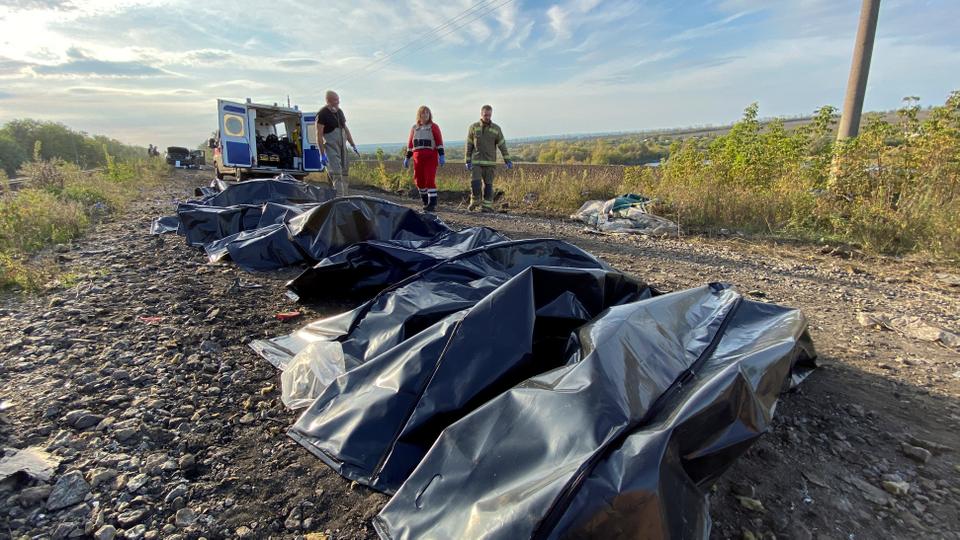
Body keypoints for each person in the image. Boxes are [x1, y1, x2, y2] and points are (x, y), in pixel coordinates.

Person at [465, 104, 511, 212]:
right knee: (475, 183)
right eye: (485, 115)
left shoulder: (496, 129)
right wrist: (467, 160)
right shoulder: (473, 127)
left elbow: (502, 145)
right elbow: (469, 144)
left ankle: (487, 206)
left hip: (490, 163)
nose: (487, 117)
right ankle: (475, 201)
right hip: (476, 162)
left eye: (489, 115)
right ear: (481, 114)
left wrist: (507, 160)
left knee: (488, 186)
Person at [316, 90, 360, 196]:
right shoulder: (322, 114)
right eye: (335, 100)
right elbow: (318, 135)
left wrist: (353, 145)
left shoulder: (339, 112)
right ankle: (339, 200)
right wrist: (322, 154)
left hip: (342, 148)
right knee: (336, 174)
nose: (338, 102)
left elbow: (346, 129)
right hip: (331, 148)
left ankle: (345, 197)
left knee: (344, 174)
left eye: (338, 99)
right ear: (328, 101)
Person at [403, 105, 445, 212]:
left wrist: (441, 155)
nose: (425, 115)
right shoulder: (414, 128)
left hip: (430, 157)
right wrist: (407, 158)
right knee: (419, 181)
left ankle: (432, 204)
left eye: (427, 113)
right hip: (418, 159)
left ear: (429, 115)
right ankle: (425, 201)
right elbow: (410, 145)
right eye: (423, 113)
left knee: (429, 179)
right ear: (419, 115)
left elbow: (439, 142)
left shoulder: (433, 127)